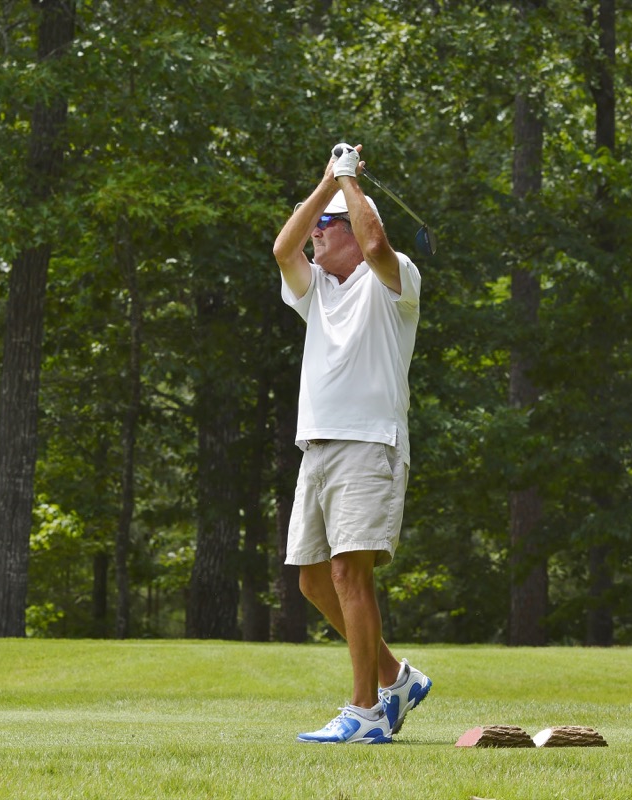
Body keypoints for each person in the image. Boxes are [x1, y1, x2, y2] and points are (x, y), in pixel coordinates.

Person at [272, 142, 432, 744]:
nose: (314, 230)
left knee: (347, 572)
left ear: (355, 225)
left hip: (370, 443)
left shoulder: (395, 279)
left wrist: (350, 184)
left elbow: (376, 245)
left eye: (327, 223)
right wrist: (326, 184)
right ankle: (396, 677)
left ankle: (366, 711)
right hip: (316, 447)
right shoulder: (316, 288)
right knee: (313, 580)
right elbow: (282, 249)